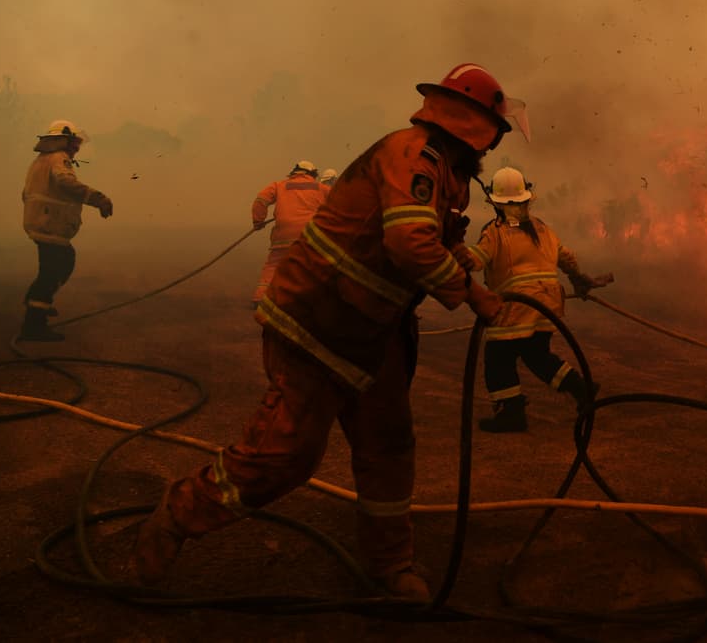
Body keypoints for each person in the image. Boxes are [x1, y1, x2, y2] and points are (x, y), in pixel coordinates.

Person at [132, 63, 528, 601]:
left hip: (373, 337)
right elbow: (410, 243)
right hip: (317, 325)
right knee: (284, 456)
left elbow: (429, 235)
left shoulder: (445, 172)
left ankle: (389, 565)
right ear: (478, 128)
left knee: (388, 448)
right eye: (493, 135)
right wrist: (471, 292)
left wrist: (460, 258)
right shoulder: (414, 155)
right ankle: (176, 516)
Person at [457, 166, 610, 433]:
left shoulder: (496, 231)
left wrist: (453, 250)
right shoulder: (541, 228)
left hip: (517, 305)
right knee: (537, 356)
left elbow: (476, 260)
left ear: (495, 202)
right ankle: (580, 388)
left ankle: (511, 413)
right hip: (548, 304)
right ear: (527, 199)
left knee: (498, 357)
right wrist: (579, 279)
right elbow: (566, 257)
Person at [18, 120, 113, 342]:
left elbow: (26, 193)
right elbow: (65, 182)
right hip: (50, 226)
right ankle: (34, 323)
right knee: (53, 272)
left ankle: (37, 301)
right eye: (74, 142)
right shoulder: (58, 159)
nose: (77, 147)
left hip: (42, 224)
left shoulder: (40, 161)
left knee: (60, 264)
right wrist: (98, 199)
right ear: (63, 140)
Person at [249, 160, 328, 307]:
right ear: (312, 174)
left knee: (274, 264)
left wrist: (258, 221)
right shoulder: (322, 188)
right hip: (309, 236)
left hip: (284, 235)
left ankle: (261, 298)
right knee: (312, 266)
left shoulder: (279, 186)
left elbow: (260, 200)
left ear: (294, 172)